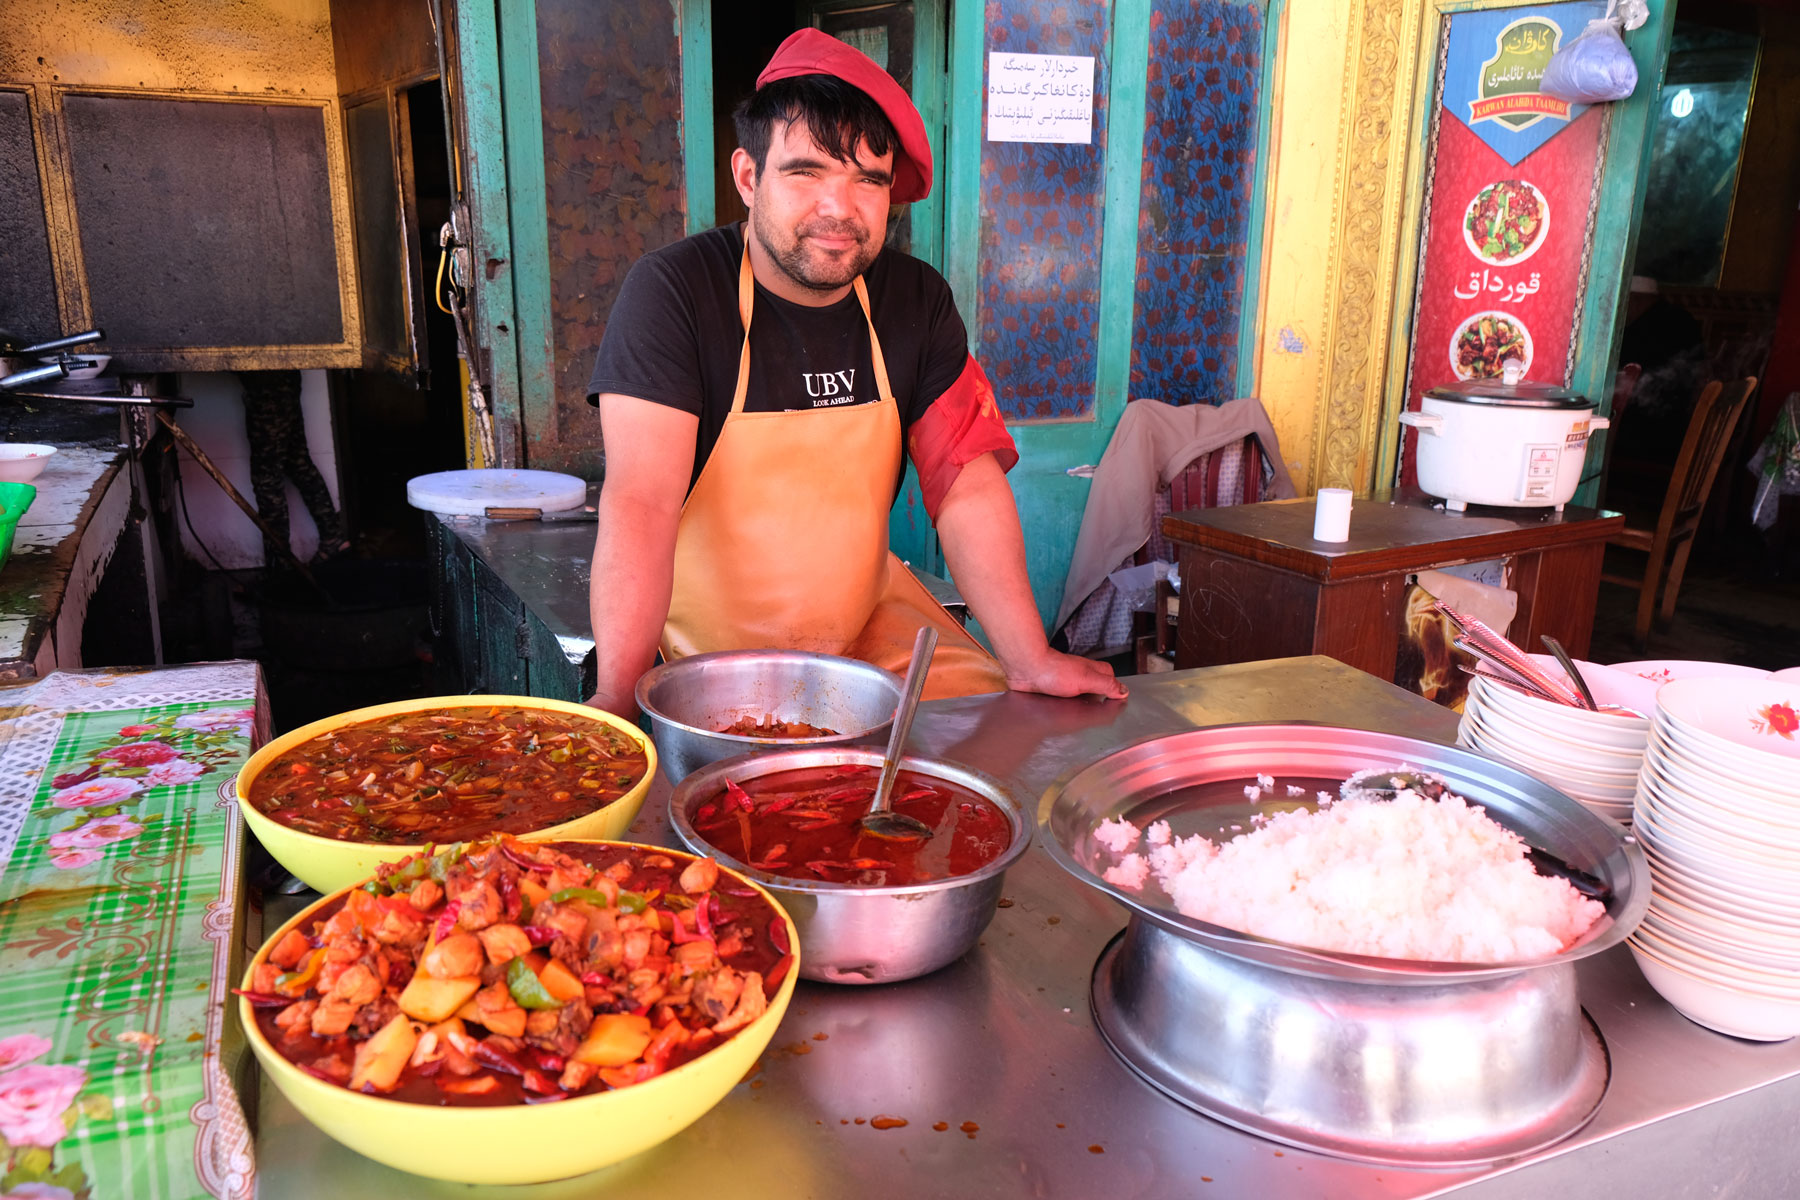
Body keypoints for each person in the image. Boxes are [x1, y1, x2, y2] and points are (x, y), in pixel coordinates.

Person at [585, 28, 1124, 713]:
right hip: (705, 653)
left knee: (990, 738)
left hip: (869, 631)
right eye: (807, 172)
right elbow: (642, 504)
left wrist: (1028, 657)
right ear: (748, 177)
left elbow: (966, 486)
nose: (840, 208)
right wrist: (617, 696)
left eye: (869, 179)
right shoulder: (675, 292)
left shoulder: (916, 300)